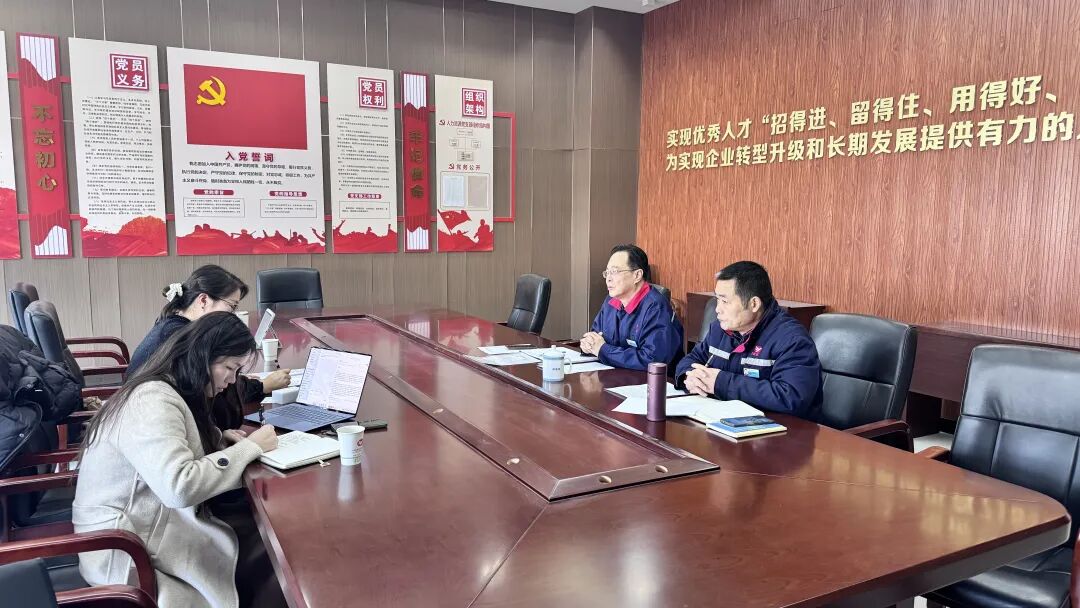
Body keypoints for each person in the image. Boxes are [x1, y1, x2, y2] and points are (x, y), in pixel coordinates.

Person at [73, 312, 281, 608]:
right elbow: (179, 487)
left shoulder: (165, 387)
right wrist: (249, 448)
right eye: (229, 368)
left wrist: (220, 442)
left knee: (262, 541)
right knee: (271, 560)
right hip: (126, 554)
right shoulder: (151, 400)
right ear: (202, 358)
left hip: (146, 529)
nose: (232, 380)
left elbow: (172, 451)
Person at [128, 264, 291, 429]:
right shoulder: (184, 339)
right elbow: (211, 387)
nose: (233, 315)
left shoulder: (173, 324)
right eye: (232, 307)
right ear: (204, 300)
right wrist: (262, 386)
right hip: (149, 423)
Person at [675, 261, 823, 420]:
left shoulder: (792, 340)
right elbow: (691, 359)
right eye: (717, 299)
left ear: (754, 304)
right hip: (725, 420)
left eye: (725, 301)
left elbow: (791, 397)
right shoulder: (719, 329)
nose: (717, 309)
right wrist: (688, 377)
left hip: (780, 429)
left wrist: (721, 383)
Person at [580, 244, 683, 371]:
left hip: (650, 381)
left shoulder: (656, 307)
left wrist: (603, 350)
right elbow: (595, 337)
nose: (608, 279)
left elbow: (652, 360)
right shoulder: (610, 301)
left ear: (637, 275)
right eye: (607, 272)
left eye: (615, 272)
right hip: (615, 374)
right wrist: (588, 345)